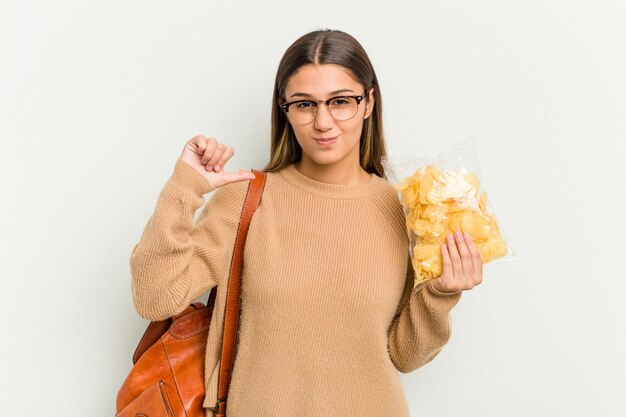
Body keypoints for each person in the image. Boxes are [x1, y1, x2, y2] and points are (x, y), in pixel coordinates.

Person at [130, 29, 483, 417]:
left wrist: (441, 294)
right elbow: (155, 297)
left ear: (368, 103)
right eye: (304, 105)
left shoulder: (405, 210)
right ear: (285, 110)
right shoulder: (248, 199)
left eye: (341, 101)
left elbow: (404, 356)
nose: (323, 122)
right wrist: (186, 186)